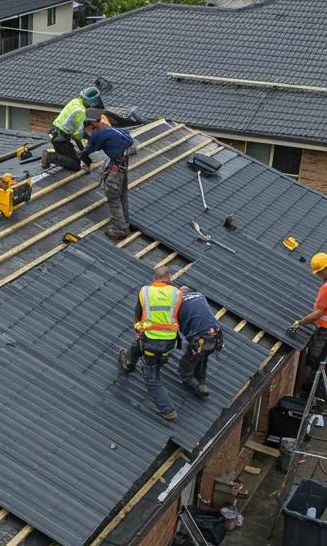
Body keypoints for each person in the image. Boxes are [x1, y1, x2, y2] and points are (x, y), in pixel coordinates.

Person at [119, 267, 183, 421]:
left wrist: (139, 330)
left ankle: (168, 411)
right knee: (138, 345)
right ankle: (128, 362)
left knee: (151, 375)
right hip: (169, 341)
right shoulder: (177, 293)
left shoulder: (145, 291)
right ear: (168, 277)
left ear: (154, 278)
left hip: (151, 340)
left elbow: (137, 315)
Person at [78, 112, 134, 240]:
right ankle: (124, 222)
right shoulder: (110, 129)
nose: (88, 136)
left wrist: (83, 158)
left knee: (113, 195)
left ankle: (120, 229)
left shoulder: (97, 135)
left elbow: (88, 151)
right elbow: (127, 137)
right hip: (123, 164)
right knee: (122, 195)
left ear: (92, 126)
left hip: (116, 168)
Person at [40, 86, 103, 172]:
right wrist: (86, 155)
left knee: (74, 154)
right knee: (75, 164)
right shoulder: (81, 112)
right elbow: (78, 136)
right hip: (60, 140)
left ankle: (57, 154)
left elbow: (74, 132)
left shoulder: (76, 101)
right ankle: (50, 156)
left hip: (56, 133)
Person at [176, 285, 224, 397]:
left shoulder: (177, 303)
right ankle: (201, 382)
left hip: (200, 341)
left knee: (185, 367)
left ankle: (197, 387)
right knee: (202, 359)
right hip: (217, 337)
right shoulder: (200, 296)